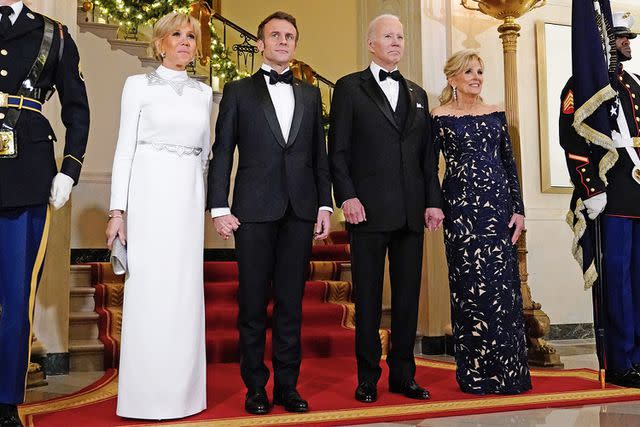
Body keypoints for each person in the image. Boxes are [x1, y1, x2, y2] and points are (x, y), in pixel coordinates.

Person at [207, 11, 332, 415]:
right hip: (253, 212)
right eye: (275, 35)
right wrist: (219, 206)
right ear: (260, 43)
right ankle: (255, 388)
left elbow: (319, 156)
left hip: (299, 210)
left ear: (296, 45)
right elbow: (222, 150)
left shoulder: (311, 95)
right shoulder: (239, 91)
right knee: (253, 305)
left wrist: (324, 204)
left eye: (289, 36)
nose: (282, 41)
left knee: (292, 305)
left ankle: (288, 387)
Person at [328, 14, 443, 403]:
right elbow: (338, 151)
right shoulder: (348, 87)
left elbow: (428, 157)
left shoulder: (418, 93)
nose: (396, 42)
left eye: (400, 36)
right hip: (368, 211)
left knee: (409, 299)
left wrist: (433, 201)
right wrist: (347, 196)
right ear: (370, 43)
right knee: (369, 300)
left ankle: (403, 376)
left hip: (412, 212)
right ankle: (367, 378)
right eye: (388, 36)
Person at [105, 12, 211, 419]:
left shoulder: (203, 94)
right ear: (160, 42)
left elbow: (205, 154)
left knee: (184, 294)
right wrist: (119, 211)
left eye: (191, 36)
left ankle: (183, 396)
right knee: (149, 292)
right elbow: (123, 150)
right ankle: (145, 398)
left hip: (186, 201)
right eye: (177, 35)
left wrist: (199, 201)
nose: (185, 41)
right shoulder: (137, 86)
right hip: (147, 198)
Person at [0, 0, 89, 425]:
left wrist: (69, 168)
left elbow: (77, 108)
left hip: (27, 173)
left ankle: (3, 401)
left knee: (16, 294)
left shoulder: (54, 34)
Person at [430, 50, 531, 395]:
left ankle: (510, 374)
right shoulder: (439, 117)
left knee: (503, 289)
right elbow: (429, 169)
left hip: (498, 209)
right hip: (460, 211)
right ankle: (475, 374)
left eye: (480, 72)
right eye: (469, 71)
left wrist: (518, 209)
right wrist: (434, 205)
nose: (476, 77)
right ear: (453, 78)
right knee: (469, 288)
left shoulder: (496, 114)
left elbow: (508, 163)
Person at [559, 11, 640, 388]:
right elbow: (573, 143)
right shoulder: (582, 86)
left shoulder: (635, 84)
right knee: (619, 283)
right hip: (614, 198)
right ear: (603, 43)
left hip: (638, 193)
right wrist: (592, 189)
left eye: (627, 37)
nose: (627, 43)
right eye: (620, 37)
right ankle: (622, 361)